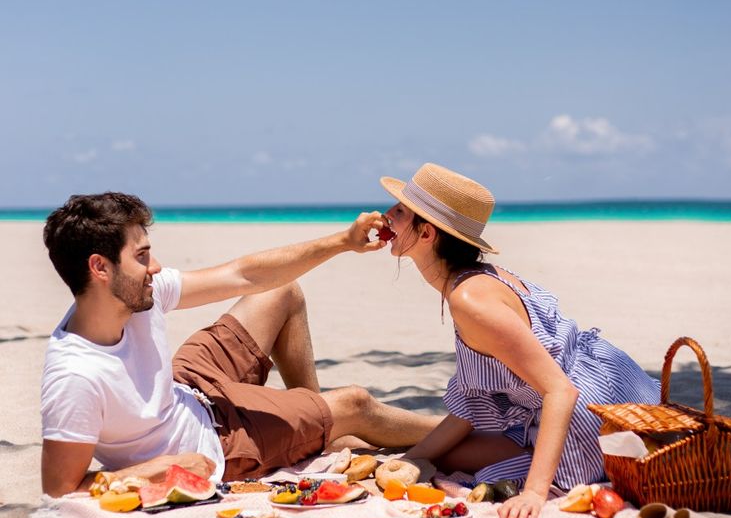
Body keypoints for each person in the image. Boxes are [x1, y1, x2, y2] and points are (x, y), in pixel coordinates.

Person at [40, 192, 441, 497]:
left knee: (281, 291)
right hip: (218, 442)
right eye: (142, 256)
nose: (156, 267)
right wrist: (162, 468)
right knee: (356, 404)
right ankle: (461, 431)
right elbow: (61, 487)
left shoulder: (139, 294)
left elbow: (244, 275)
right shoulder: (76, 376)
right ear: (100, 268)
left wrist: (341, 241)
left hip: (188, 387)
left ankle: (317, 430)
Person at [376, 163, 660, 518]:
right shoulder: (485, 276)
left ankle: (544, 469)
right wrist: (409, 460)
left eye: (399, 211)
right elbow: (471, 400)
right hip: (615, 388)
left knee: (451, 459)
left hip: (589, 416)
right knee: (437, 455)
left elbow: (561, 390)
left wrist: (535, 493)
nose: (387, 215)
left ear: (427, 234)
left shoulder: (470, 301)